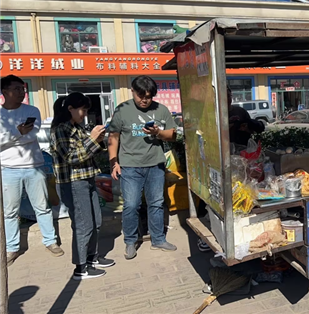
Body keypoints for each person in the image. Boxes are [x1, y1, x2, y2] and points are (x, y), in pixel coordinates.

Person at [108, 76, 177, 260]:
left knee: (156, 203)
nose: (145, 100)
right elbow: (113, 137)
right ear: (132, 91)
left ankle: (158, 239)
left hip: (155, 165)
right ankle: (130, 241)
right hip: (130, 167)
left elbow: (172, 135)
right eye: (141, 96)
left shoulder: (161, 110)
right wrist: (113, 162)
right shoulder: (122, 110)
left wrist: (158, 133)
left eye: (149, 96)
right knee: (131, 205)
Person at [0, 75, 64, 267]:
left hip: (33, 167)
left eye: (23, 89)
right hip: (8, 169)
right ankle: (12, 247)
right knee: (10, 211)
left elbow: (32, 135)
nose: (21, 92)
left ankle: (50, 241)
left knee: (42, 207)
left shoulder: (32, 110)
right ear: (4, 92)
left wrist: (9, 137)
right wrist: (18, 132)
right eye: (17, 89)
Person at [50, 92, 115, 280]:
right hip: (73, 183)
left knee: (96, 221)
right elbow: (72, 157)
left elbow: (88, 151)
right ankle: (80, 267)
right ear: (70, 108)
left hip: (87, 179)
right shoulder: (60, 129)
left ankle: (92, 258)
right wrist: (92, 139)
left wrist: (98, 139)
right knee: (83, 224)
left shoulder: (76, 127)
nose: (84, 114)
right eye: (82, 110)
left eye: (86, 110)